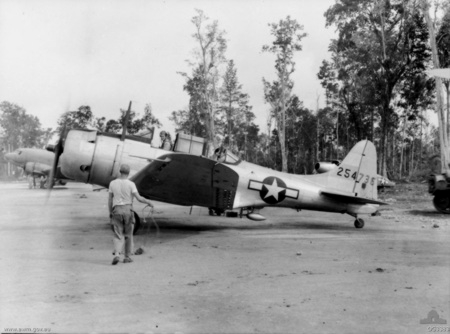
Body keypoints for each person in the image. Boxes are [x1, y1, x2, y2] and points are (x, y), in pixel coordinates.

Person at [108, 164, 153, 265]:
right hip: (128, 210)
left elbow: (110, 199)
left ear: (120, 171)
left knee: (118, 234)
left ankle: (117, 255)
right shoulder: (131, 184)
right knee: (128, 235)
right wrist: (148, 202)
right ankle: (127, 257)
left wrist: (110, 212)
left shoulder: (112, 183)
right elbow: (139, 198)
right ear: (128, 173)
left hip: (117, 210)